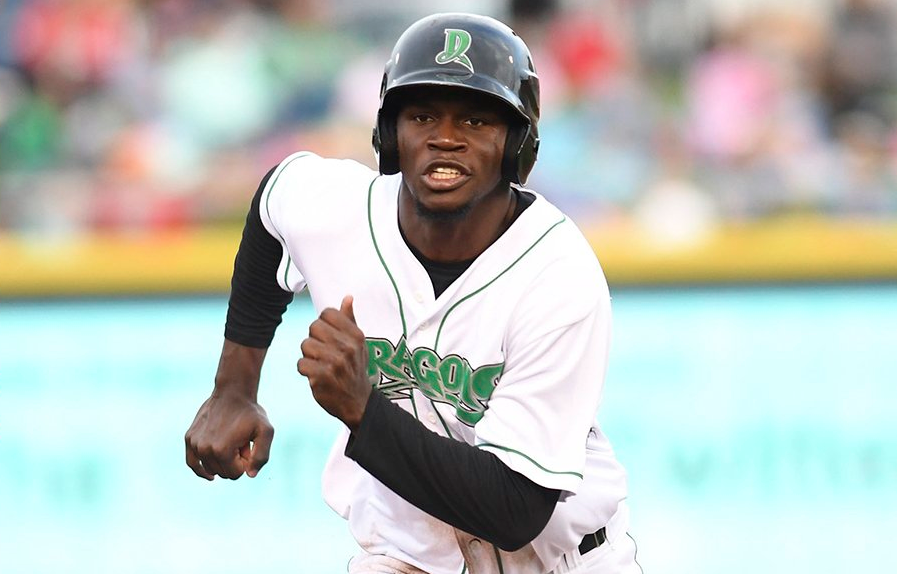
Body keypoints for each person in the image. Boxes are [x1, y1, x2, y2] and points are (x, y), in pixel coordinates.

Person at [184, 12, 641, 574]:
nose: (445, 138)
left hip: (560, 562)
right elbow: (273, 204)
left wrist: (363, 409)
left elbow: (515, 510)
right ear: (390, 134)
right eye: (422, 115)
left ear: (516, 143)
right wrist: (234, 387)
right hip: (407, 559)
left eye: (476, 119)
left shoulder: (557, 275)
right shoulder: (343, 211)